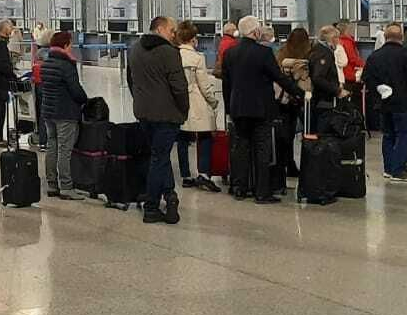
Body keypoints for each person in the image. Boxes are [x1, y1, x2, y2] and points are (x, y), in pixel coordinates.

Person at [220, 16, 302, 203]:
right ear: (255, 31)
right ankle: (262, 192)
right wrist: (299, 93)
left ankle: (240, 188)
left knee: (241, 149)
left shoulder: (230, 53)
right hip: (261, 109)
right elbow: (279, 77)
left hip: (238, 108)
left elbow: (227, 84)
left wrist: (229, 108)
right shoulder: (264, 53)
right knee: (262, 150)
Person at [127, 17, 189, 222]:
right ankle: (152, 207)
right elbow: (179, 87)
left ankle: (170, 194)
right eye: (171, 30)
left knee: (158, 155)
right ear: (160, 29)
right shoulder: (169, 52)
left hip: (143, 112)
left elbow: (131, 80)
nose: (174, 34)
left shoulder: (134, 49)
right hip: (166, 114)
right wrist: (183, 110)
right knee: (159, 158)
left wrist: (140, 101)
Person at [362, 24, 407, 184]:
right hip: (404, 102)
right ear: (401, 37)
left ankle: (388, 168)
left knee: (388, 135)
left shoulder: (375, 56)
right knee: (403, 136)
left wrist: (379, 88)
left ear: (385, 37)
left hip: (384, 103)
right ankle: (398, 170)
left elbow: (366, 77)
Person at [40, 31, 90, 202]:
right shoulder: (67, 65)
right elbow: (75, 90)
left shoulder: (46, 63)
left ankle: (52, 184)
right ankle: (66, 187)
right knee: (64, 149)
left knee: (51, 147)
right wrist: (85, 100)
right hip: (65, 112)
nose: (72, 47)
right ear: (66, 45)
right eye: (70, 44)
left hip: (48, 112)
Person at [176, 21, 221, 192]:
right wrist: (213, 101)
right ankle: (204, 174)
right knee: (205, 136)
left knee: (182, 139)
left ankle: (185, 176)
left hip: (179, 102)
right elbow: (204, 85)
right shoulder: (197, 58)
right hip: (197, 102)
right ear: (193, 39)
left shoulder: (174, 55)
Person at [275, 28, 315, 179]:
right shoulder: (307, 56)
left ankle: (284, 165)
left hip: (283, 99)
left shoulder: (282, 53)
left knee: (285, 134)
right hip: (301, 99)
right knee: (306, 132)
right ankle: (301, 165)